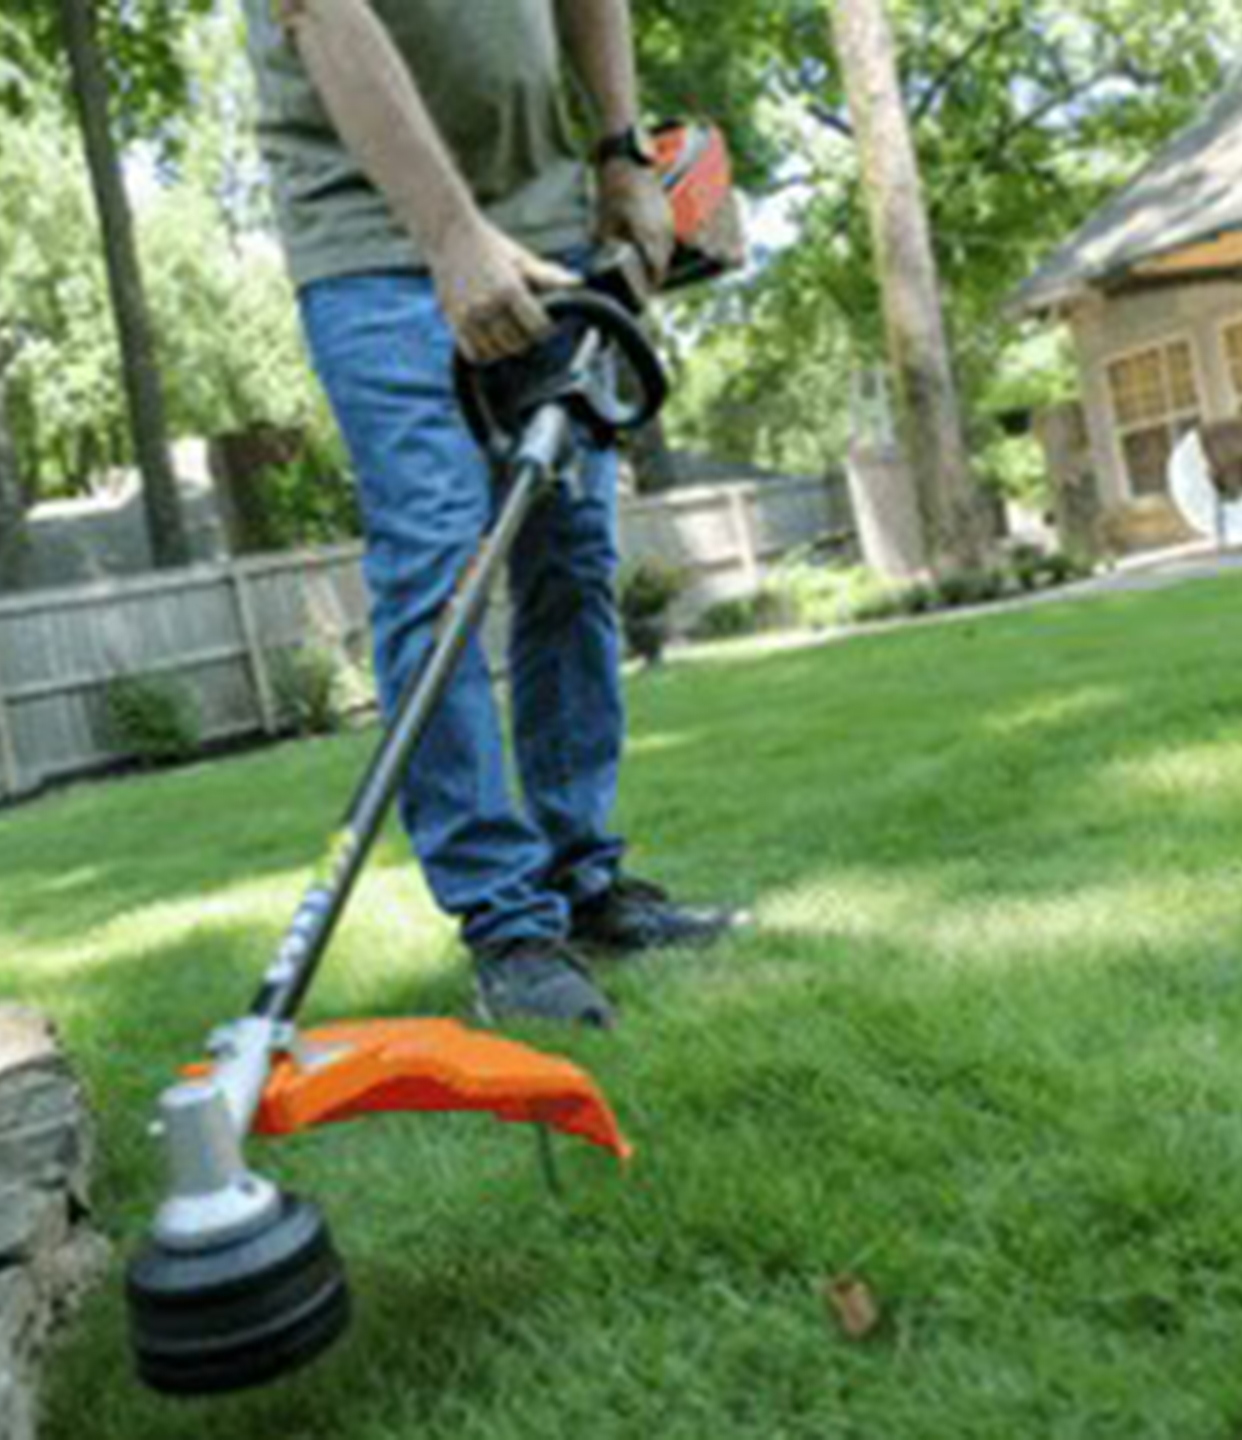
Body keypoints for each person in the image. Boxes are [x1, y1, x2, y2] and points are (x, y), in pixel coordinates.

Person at [242, 0, 740, 1028]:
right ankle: (507, 923)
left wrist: (620, 152)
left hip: (553, 216)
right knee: (438, 573)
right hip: (371, 239)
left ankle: (581, 880)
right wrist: (452, 235)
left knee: (572, 559)